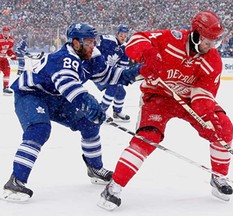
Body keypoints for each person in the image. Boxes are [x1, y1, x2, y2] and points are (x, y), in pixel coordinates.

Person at [97, 10, 233, 211]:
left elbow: (205, 92)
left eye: (215, 42)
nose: (211, 46)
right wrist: (149, 54)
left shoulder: (212, 59)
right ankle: (114, 186)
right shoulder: (171, 39)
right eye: (207, 41)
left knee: (223, 128)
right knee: (148, 137)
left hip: (188, 100)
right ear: (195, 34)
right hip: (158, 97)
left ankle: (219, 177)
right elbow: (137, 39)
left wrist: (205, 115)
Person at [2, 22, 141, 202]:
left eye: (94, 41)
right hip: (32, 94)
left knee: (90, 124)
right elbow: (70, 87)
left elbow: (109, 75)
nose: (93, 46)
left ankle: (95, 168)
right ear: (76, 43)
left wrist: (137, 72)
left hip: (56, 96)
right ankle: (15, 181)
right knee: (39, 129)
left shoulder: (91, 56)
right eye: (89, 42)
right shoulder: (63, 58)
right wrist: (88, 102)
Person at [96, 24, 131, 122]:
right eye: (121, 35)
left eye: (125, 35)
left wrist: (120, 77)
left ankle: (117, 112)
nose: (123, 37)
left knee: (121, 91)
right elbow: (94, 44)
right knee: (113, 87)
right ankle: (100, 112)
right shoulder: (108, 40)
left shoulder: (125, 48)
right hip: (97, 71)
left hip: (109, 72)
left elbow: (122, 66)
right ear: (117, 34)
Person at [0, 26, 17, 95]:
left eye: (7, 32)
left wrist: (12, 55)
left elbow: (9, 50)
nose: (6, 33)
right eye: (4, 32)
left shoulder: (11, 40)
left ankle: (5, 87)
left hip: (3, 59)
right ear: (2, 32)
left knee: (7, 71)